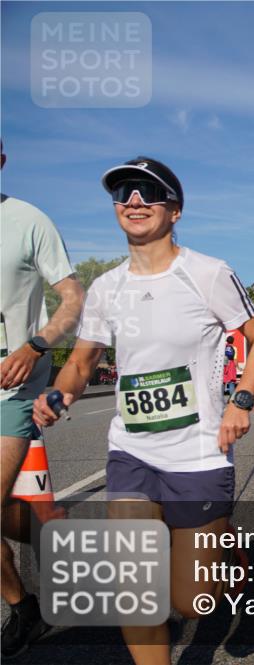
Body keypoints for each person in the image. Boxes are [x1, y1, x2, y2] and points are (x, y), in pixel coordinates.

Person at [32, 155, 254, 665]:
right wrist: (60, 394)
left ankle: (226, 550)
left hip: (199, 454)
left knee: (193, 600)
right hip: (132, 452)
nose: (134, 201)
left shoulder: (207, 274)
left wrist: (242, 401)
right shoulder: (106, 288)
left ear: (176, 210)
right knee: (136, 590)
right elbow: (83, 360)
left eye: (148, 190)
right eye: (123, 192)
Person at [0, 141, 85, 658]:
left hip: (12, 381)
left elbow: (73, 300)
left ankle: (22, 608)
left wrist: (36, 345)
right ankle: (31, 594)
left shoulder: (28, 220)